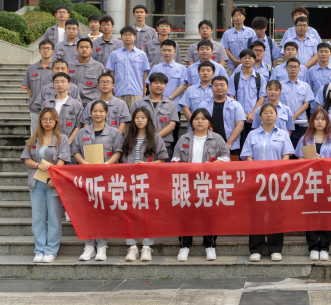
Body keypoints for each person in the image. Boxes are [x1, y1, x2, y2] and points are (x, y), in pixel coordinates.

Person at [173, 108, 229, 261]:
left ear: (209, 122)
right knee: (185, 215)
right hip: (187, 182)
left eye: (203, 119)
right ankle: (184, 246)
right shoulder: (184, 138)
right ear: (191, 122)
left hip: (208, 182)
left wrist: (212, 165)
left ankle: (210, 245)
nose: (199, 121)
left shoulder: (217, 138)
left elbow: (225, 157)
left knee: (209, 215)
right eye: (196, 118)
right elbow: (175, 159)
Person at [71, 100, 124, 261]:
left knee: (103, 211)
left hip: (106, 177)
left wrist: (107, 164)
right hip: (86, 177)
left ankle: (101, 246)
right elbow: (76, 151)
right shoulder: (82, 133)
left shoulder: (114, 132)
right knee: (87, 212)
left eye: (101, 111)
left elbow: (118, 151)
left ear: (106, 113)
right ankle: (89, 245)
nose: (98, 114)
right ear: (90, 113)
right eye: (95, 111)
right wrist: (84, 164)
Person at [241, 104, 294, 262]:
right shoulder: (252, 134)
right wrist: (256, 174)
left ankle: (275, 248)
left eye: (272, 112)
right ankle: (255, 249)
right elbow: (248, 156)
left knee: (276, 214)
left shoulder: (283, 134)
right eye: (265, 112)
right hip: (257, 181)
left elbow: (286, 156)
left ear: (276, 116)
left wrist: (277, 174)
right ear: (260, 116)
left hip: (276, 180)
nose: (269, 115)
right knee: (256, 214)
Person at [21, 108, 70, 264]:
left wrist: (54, 178)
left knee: (54, 216)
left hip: (53, 183)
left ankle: (51, 250)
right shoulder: (34, 139)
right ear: (40, 121)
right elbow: (26, 159)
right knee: (38, 217)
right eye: (44, 119)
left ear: (56, 121)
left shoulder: (62, 139)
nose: (47, 122)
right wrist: (37, 165)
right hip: (37, 182)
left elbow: (62, 160)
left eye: (51, 119)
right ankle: (39, 249)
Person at [295, 108, 331, 261]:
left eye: (323, 119)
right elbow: (299, 159)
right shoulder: (305, 138)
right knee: (311, 215)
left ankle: (324, 247)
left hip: (328, 182)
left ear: (327, 121)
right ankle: (313, 247)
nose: (320, 122)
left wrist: (324, 161)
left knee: (326, 215)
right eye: (317, 119)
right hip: (310, 182)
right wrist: (309, 161)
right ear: (312, 121)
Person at [121, 107, 168, 262]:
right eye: (137, 117)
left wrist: (147, 165)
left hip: (148, 182)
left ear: (148, 119)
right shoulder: (127, 137)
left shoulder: (156, 138)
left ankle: (147, 247)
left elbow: (162, 161)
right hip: (129, 181)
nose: (140, 120)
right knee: (129, 214)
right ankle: (132, 247)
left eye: (143, 117)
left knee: (147, 214)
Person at [131, 73, 179, 159]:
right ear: (150, 84)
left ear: (165, 86)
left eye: (162, 83)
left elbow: (172, 125)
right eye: (156, 82)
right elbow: (132, 122)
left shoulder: (171, 104)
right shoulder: (138, 103)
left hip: (164, 145)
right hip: (142, 144)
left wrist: (154, 138)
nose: (159, 85)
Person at [105, 26, 151, 110]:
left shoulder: (142, 55)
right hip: (119, 92)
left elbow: (144, 74)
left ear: (134, 37)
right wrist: (112, 91)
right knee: (119, 116)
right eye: (125, 35)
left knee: (136, 116)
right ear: (121, 37)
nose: (127, 37)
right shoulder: (114, 54)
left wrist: (144, 93)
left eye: (130, 35)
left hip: (137, 93)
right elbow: (112, 74)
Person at [148, 40, 187, 136]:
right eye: (164, 50)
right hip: (156, 106)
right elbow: (150, 85)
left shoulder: (181, 68)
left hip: (174, 106)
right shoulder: (156, 68)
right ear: (161, 51)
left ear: (174, 52)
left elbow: (182, 86)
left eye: (169, 50)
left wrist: (169, 98)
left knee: (173, 135)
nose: (167, 53)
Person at [199, 76, 246, 158]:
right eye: (216, 85)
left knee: (231, 166)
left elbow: (240, 125)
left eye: (222, 85)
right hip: (207, 145)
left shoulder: (236, 105)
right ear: (211, 87)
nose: (219, 87)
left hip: (230, 146)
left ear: (228, 87)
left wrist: (229, 143)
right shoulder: (204, 104)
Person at [229, 49, 267, 145]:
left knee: (255, 143)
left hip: (255, 118)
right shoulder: (234, 77)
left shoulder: (260, 78)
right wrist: (242, 113)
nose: (247, 60)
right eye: (244, 58)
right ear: (240, 60)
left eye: (250, 58)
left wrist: (253, 113)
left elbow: (262, 97)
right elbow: (231, 96)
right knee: (240, 144)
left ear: (254, 60)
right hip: (238, 118)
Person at [278, 58, 314, 147]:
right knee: (283, 148)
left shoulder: (305, 86)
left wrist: (295, 115)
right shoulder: (279, 85)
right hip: (284, 123)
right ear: (286, 68)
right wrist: (288, 116)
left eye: (295, 67)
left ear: (299, 69)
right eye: (290, 67)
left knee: (300, 148)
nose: (293, 69)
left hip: (300, 123)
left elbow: (306, 104)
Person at [23, 39, 55, 134]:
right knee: (35, 135)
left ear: (53, 51)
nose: (46, 50)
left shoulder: (57, 68)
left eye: (48, 48)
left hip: (53, 109)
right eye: (43, 48)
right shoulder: (32, 68)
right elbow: (28, 88)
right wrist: (34, 99)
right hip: (36, 109)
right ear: (39, 50)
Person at [41, 72, 83, 144]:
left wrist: (68, 142)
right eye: (56, 82)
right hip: (49, 142)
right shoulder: (46, 103)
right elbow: (41, 122)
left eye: (63, 82)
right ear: (53, 85)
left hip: (69, 143)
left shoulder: (76, 104)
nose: (60, 84)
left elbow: (78, 126)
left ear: (69, 84)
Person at [69, 38, 105, 108]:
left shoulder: (99, 67)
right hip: (72, 103)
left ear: (91, 50)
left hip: (91, 103)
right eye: (81, 47)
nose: (84, 49)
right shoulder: (70, 66)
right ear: (77, 49)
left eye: (87, 47)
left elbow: (103, 86)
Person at [180, 61, 215, 132]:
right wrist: (194, 123)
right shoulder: (190, 90)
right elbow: (185, 108)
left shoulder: (217, 89)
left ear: (213, 74)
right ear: (198, 74)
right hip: (194, 128)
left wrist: (209, 125)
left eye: (208, 71)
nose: (205, 73)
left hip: (214, 127)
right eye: (202, 71)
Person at [221, 7, 255, 72]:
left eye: (240, 15)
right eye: (235, 15)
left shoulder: (251, 32)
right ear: (233, 18)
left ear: (244, 17)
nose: (238, 17)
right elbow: (225, 48)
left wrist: (244, 61)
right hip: (233, 66)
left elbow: (254, 48)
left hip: (248, 66)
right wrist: (235, 61)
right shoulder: (227, 33)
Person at [308, 43, 331, 111]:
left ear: (330, 53)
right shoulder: (311, 71)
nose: (323, 54)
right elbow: (310, 89)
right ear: (317, 53)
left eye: (326, 51)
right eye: (321, 51)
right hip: (315, 106)